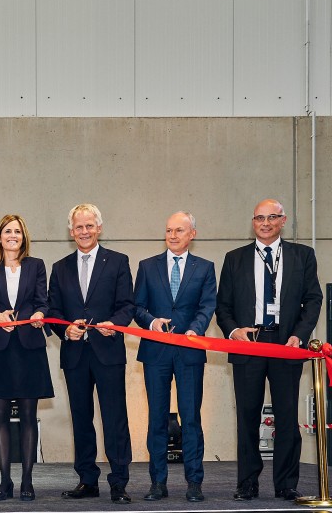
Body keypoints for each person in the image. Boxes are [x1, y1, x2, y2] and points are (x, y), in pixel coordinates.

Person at [215, 199, 322, 502]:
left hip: (287, 344)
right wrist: (234, 331)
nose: (265, 223)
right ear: (253, 221)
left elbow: (313, 299)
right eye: (259, 218)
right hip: (249, 343)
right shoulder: (234, 258)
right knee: (247, 416)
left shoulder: (303, 255)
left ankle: (286, 483)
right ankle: (247, 483)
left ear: (283, 220)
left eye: (271, 217)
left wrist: (299, 336)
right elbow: (222, 307)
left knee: (287, 417)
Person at [48, 203, 134, 504]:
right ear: (71, 232)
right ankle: (87, 480)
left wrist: (116, 323)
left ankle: (119, 482)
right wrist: (64, 330)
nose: (84, 231)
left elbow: (127, 305)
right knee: (81, 419)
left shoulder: (119, 262)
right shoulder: (59, 268)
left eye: (89, 226)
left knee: (115, 418)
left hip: (108, 351)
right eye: (78, 227)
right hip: (74, 355)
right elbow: (53, 311)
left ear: (99, 228)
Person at [133, 212, 215, 503]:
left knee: (191, 418)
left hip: (190, 351)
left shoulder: (205, 268)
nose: (173, 235)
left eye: (179, 230)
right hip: (155, 351)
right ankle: (158, 482)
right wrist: (151, 321)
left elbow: (207, 306)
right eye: (169, 230)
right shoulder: (147, 266)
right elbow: (137, 307)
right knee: (156, 418)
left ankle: (194, 482)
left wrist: (195, 329)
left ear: (192, 233)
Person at [0, 214, 52, 502]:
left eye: (17, 231)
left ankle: (27, 481)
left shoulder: (36, 266)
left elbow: (43, 302)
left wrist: (40, 315)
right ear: (0, 237)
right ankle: (5, 481)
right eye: (8, 231)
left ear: (23, 236)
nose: (13, 235)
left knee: (29, 416)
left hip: (29, 347)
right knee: (0, 417)